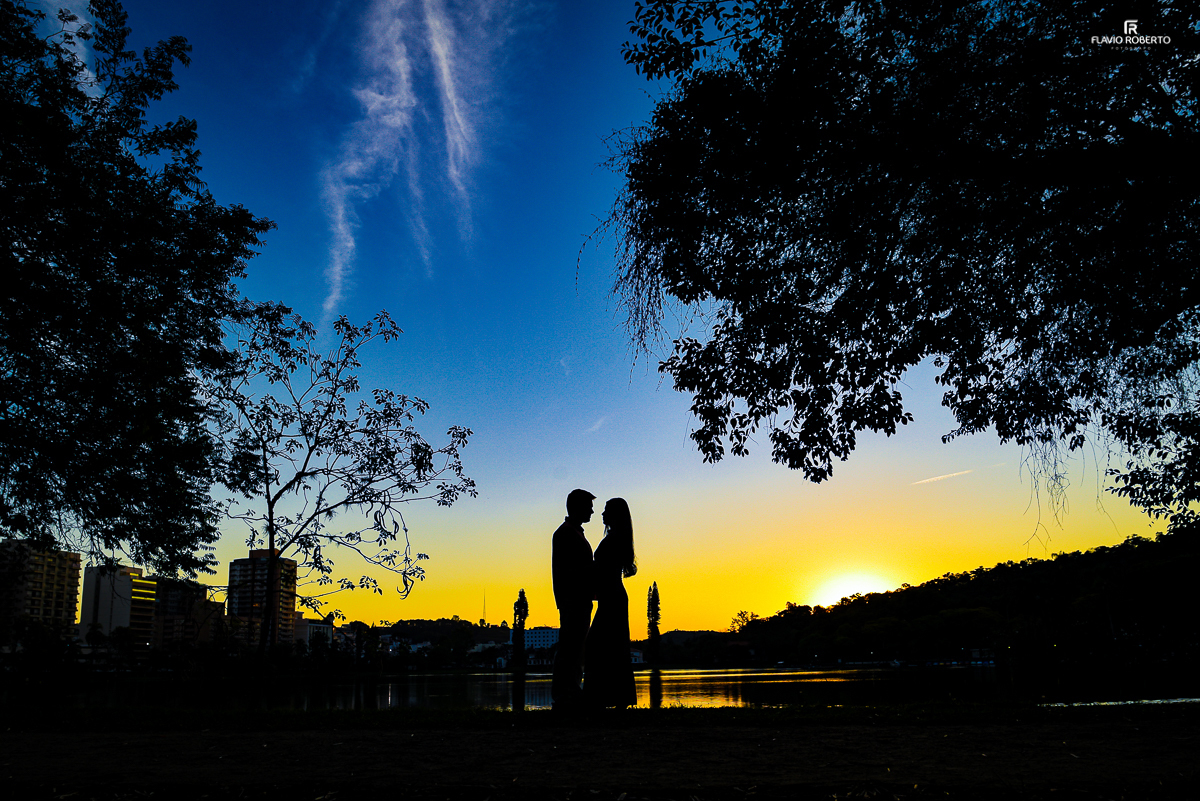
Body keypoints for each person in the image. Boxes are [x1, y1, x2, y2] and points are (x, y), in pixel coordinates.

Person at [584, 497, 638, 709]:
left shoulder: (614, 539)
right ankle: (615, 697)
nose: (602, 514)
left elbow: (603, 571)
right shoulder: (618, 538)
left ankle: (602, 698)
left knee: (599, 645)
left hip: (611, 596)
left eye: (606, 510)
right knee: (612, 646)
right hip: (612, 595)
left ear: (615, 515)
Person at [551, 488, 596, 711]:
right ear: (577, 507)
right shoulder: (566, 534)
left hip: (578, 599)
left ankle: (569, 691)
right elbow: (566, 571)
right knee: (571, 646)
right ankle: (564, 693)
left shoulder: (572, 532)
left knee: (576, 647)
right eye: (589, 506)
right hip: (574, 599)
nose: (593, 511)